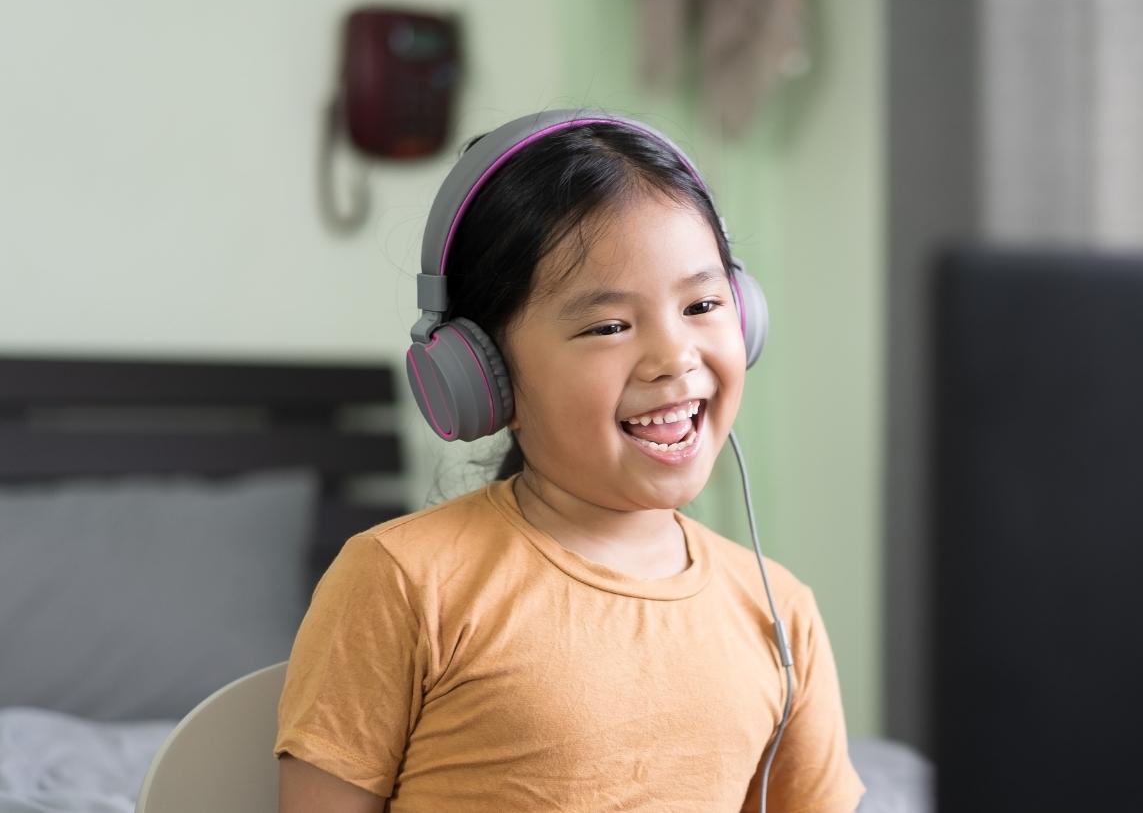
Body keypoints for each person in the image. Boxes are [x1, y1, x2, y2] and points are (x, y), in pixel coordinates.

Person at [274, 110, 866, 812]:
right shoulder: (403, 583)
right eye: (608, 325)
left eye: (703, 304)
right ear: (484, 376)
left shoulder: (779, 613)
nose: (675, 357)